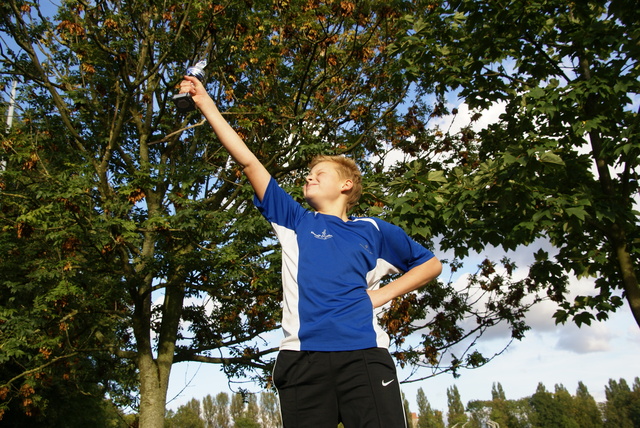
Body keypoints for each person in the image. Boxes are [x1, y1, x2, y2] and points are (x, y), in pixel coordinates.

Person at [179, 75, 442, 428]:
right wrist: (205, 104)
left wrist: (380, 296)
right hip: (302, 361)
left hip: (363, 358)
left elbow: (431, 264)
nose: (309, 178)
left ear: (346, 185)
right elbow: (250, 164)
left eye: (320, 173)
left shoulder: (374, 231)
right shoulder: (295, 221)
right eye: (308, 174)